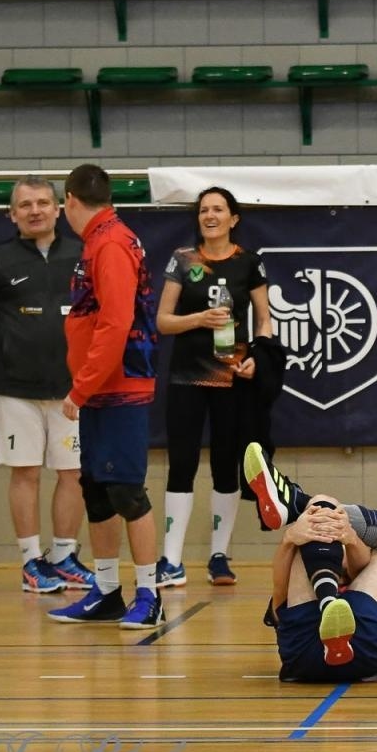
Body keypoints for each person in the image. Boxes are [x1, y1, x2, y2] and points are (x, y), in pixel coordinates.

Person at [0, 177, 94, 593]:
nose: (34, 210)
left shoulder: (84, 255)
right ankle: (31, 561)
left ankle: (65, 557)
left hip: (74, 390)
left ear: (59, 208)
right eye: (25, 205)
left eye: (42, 203)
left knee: (72, 473)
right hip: (15, 389)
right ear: (12, 214)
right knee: (26, 473)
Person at [47, 164, 164, 629]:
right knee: (96, 490)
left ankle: (150, 594)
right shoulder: (98, 240)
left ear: (71, 200)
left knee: (126, 492)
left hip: (120, 387)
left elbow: (115, 324)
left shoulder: (111, 243)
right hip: (101, 389)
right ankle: (108, 591)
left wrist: (82, 386)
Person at [154, 186, 272, 589]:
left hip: (231, 378)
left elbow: (265, 321)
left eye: (218, 209)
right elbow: (163, 321)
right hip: (187, 376)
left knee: (226, 466)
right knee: (182, 464)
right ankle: (170, 560)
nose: (210, 215)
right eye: (204, 209)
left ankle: (219, 556)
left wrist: (260, 356)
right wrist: (198, 319)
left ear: (233, 218)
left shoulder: (249, 264)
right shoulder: (183, 260)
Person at [242, 442, 377, 683]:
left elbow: (279, 589)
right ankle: (298, 504)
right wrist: (295, 536)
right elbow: (363, 571)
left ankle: (296, 503)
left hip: (303, 653)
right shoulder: (353, 577)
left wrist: (295, 538)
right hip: (366, 646)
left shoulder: (315, 561)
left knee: (316, 512)